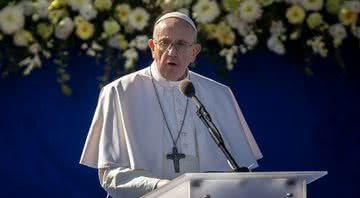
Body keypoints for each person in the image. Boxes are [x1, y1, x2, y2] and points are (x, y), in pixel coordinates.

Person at [80, 12, 262, 198]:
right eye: (164, 43)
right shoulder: (119, 92)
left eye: (181, 44)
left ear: (194, 52)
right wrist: (161, 187)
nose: (171, 52)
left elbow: (241, 173)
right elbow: (110, 176)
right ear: (152, 47)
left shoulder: (219, 94)